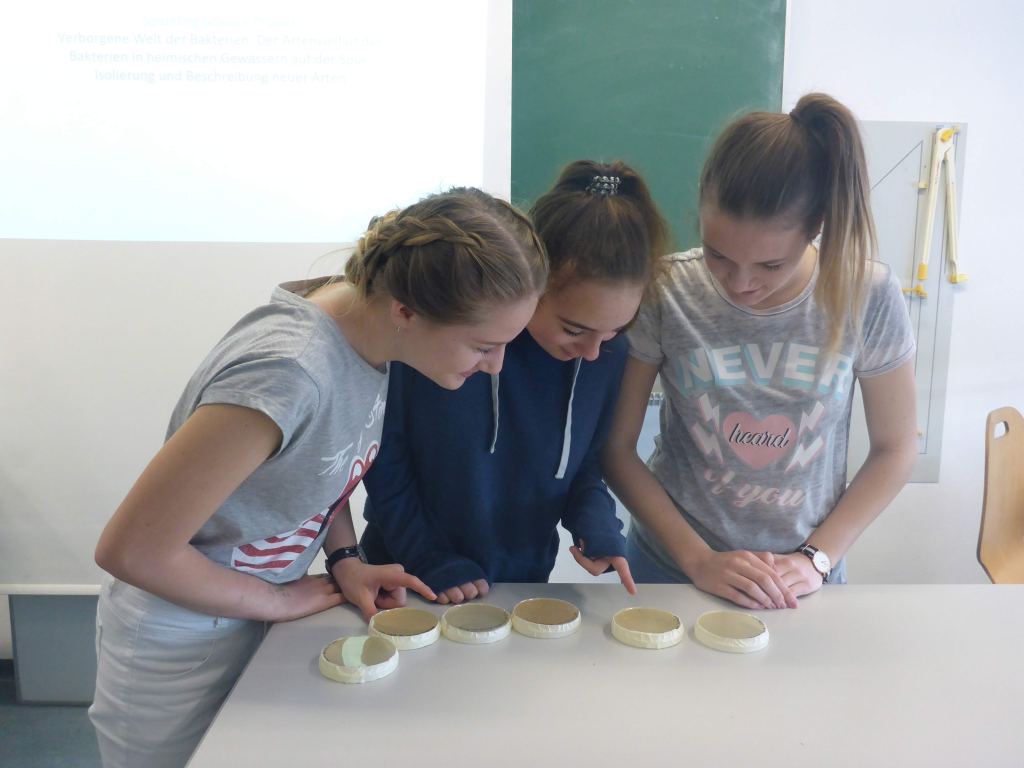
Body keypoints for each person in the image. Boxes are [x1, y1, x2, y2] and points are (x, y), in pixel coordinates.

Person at [88, 187, 549, 768]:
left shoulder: (368, 335)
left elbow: (326, 462)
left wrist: (344, 558)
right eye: (484, 346)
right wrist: (276, 599)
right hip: (179, 640)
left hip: (246, 615)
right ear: (406, 311)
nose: (496, 365)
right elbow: (132, 551)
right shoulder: (288, 372)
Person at [601, 93, 918, 611]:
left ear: (816, 226)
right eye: (718, 254)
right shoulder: (667, 290)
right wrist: (699, 560)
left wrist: (817, 557)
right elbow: (615, 448)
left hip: (801, 577)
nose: (740, 282)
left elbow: (896, 447)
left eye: (771, 265)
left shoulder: (867, 293)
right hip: (672, 568)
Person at [360, 160, 669, 603]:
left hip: (521, 580)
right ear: (533, 285)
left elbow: (582, 462)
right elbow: (384, 456)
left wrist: (596, 522)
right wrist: (426, 555)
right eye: (574, 329)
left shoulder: (605, 354)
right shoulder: (447, 337)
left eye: (615, 331)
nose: (592, 352)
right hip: (405, 577)